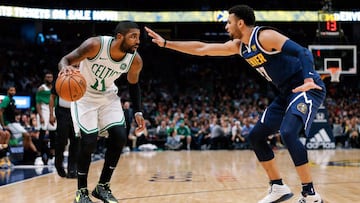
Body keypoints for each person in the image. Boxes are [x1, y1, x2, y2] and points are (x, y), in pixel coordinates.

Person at [145, 4, 326, 203]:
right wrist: (165, 44)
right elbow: (202, 48)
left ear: (240, 23)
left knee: (288, 132)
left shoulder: (264, 36)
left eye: (229, 22)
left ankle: (310, 194)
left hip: (306, 87)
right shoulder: (240, 46)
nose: (226, 27)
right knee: (256, 136)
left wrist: (309, 78)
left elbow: (304, 53)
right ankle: (278, 187)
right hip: (286, 94)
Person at [58, 20, 146, 203]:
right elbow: (65, 60)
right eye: (133, 37)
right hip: (84, 95)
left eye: (138, 36)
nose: (138, 41)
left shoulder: (135, 60)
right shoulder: (95, 45)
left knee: (120, 136)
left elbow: (133, 84)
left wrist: (138, 112)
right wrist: (64, 69)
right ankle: (81, 192)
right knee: (89, 142)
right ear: (119, 37)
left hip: (108, 96)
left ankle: (102, 187)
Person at [0, 86, 42, 166]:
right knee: (26, 135)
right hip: (9, 123)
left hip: (14, 123)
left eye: (14, 90)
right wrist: (3, 125)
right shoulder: (6, 99)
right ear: (7, 91)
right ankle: (37, 155)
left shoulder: (13, 100)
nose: (12, 92)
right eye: (11, 90)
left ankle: (29, 156)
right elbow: (1, 112)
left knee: (27, 137)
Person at [49, 84, 80, 178]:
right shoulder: (60, 79)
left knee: (76, 141)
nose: (76, 68)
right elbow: (52, 96)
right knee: (62, 141)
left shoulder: (82, 79)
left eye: (77, 67)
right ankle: (58, 165)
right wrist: (51, 114)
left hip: (76, 112)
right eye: (74, 67)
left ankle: (72, 169)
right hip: (62, 112)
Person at [36, 72, 56, 165]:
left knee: (53, 134)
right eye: (47, 77)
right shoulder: (41, 88)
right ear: (44, 78)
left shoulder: (55, 88)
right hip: (43, 110)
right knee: (42, 133)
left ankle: (52, 156)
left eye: (51, 77)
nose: (49, 78)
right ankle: (38, 157)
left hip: (52, 110)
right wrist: (40, 116)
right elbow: (38, 103)